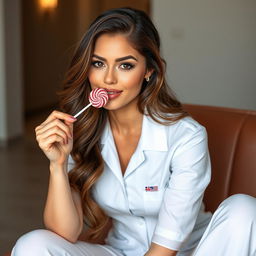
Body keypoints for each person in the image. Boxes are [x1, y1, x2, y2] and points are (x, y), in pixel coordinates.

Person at [11, 7, 256, 256]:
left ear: (149, 70)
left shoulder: (186, 137)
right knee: (33, 244)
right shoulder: (82, 134)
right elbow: (65, 233)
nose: (108, 79)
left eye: (125, 66)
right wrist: (58, 164)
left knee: (244, 209)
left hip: (193, 251)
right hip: (122, 251)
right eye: (98, 63)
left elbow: (165, 248)